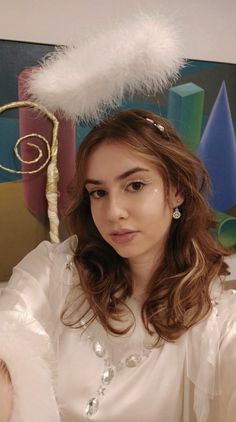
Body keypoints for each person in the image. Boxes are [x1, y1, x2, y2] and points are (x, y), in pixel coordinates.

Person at [0, 108, 236, 422]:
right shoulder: (56, 271)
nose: (113, 212)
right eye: (98, 192)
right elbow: (9, 335)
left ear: (176, 189)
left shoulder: (220, 312)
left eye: (135, 185)